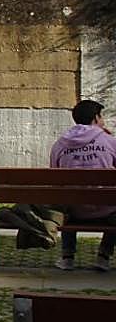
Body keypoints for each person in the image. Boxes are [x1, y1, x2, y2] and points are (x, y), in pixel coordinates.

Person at [50, 98, 116, 271]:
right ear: (96, 118)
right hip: (107, 210)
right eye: (101, 117)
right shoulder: (110, 142)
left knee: (68, 199)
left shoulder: (60, 144)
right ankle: (103, 256)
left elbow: (54, 177)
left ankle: (67, 257)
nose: (103, 121)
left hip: (73, 211)